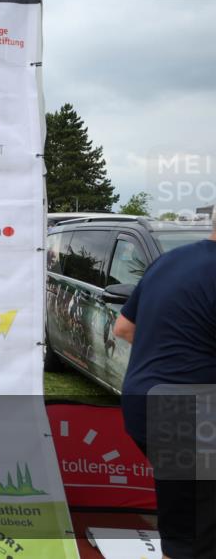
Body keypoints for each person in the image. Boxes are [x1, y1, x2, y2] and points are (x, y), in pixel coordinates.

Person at [115, 218, 215, 559]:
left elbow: (124, 327)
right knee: (199, 537)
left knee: (185, 527)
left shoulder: (170, 260)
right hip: (190, 414)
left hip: (144, 402)